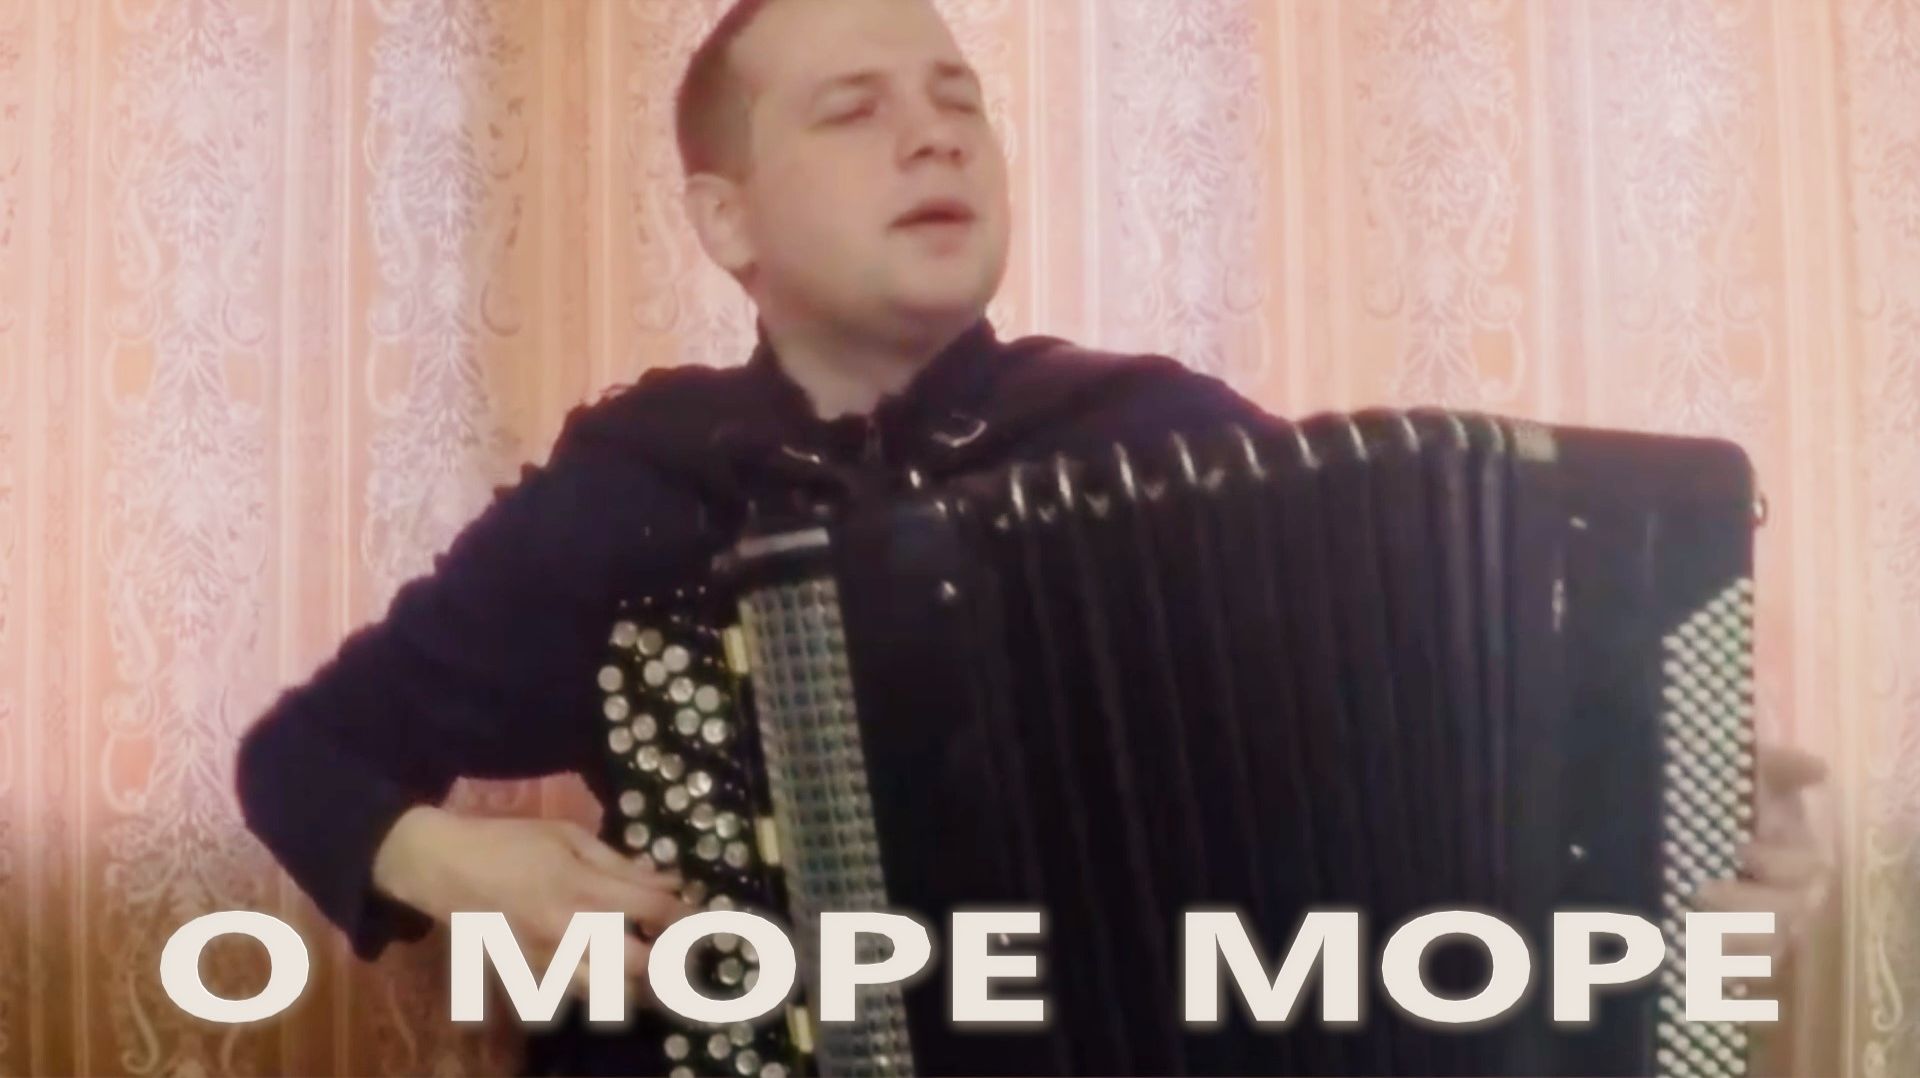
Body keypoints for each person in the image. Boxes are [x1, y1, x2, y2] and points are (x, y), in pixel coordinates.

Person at [234, 0, 1830, 1073]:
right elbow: (303, 756)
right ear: (729, 221)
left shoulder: (1165, 442)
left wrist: (1673, 836)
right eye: (853, 111)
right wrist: (449, 857)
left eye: (960, 105)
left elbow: (1453, 768)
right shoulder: (638, 486)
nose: (935, 137)